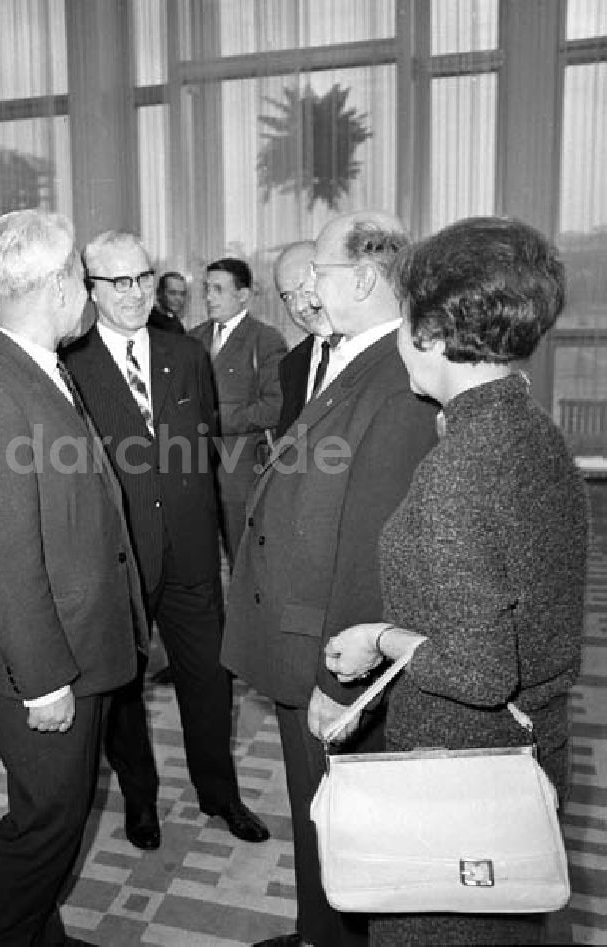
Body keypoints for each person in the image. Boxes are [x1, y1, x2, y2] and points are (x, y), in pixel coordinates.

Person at [323, 217, 588, 947]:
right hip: (528, 754)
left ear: (434, 332)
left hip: (458, 779)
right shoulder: (535, 431)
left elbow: (476, 669)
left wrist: (380, 635)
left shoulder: (458, 469)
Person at [221, 212, 439, 947]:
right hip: (307, 637)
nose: (308, 287)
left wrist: (338, 680)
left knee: (340, 821)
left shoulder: (396, 379)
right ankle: (317, 933)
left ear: (366, 278)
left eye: (319, 270)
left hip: (331, 651)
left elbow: (376, 545)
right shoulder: (360, 357)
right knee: (316, 809)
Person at [0, 210, 146, 946]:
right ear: (61, 285)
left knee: (53, 812)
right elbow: (2, 559)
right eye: (86, 280)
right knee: (45, 826)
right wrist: (42, 679)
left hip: (75, 642)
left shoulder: (37, 368)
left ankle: (41, 938)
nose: (91, 295)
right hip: (43, 662)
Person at [62, 231, 269, 852]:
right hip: (120, 556)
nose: (132, 293)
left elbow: (200, 448)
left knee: (209, 678)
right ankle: (140, 799)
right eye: (116, 281)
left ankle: (219, 793)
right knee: (122, 688)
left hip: (191, 551)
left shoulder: (186, 354)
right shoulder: (72, 363)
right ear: (90, 287)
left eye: (142, 278)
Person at [191, 258, 287, 563]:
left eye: (218, 289)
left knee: (244, 562)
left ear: (243, 295)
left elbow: (275, 406)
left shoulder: (265, 339)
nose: (209, 297)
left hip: (241, 476)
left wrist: (216, 419)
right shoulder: (192, 339)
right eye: (207, 289)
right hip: (195, 474)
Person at [272, 240, 337, 439]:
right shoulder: (291, 364)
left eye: (305, 290)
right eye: (288, 297)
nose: (299, 306)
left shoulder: (376, 350)